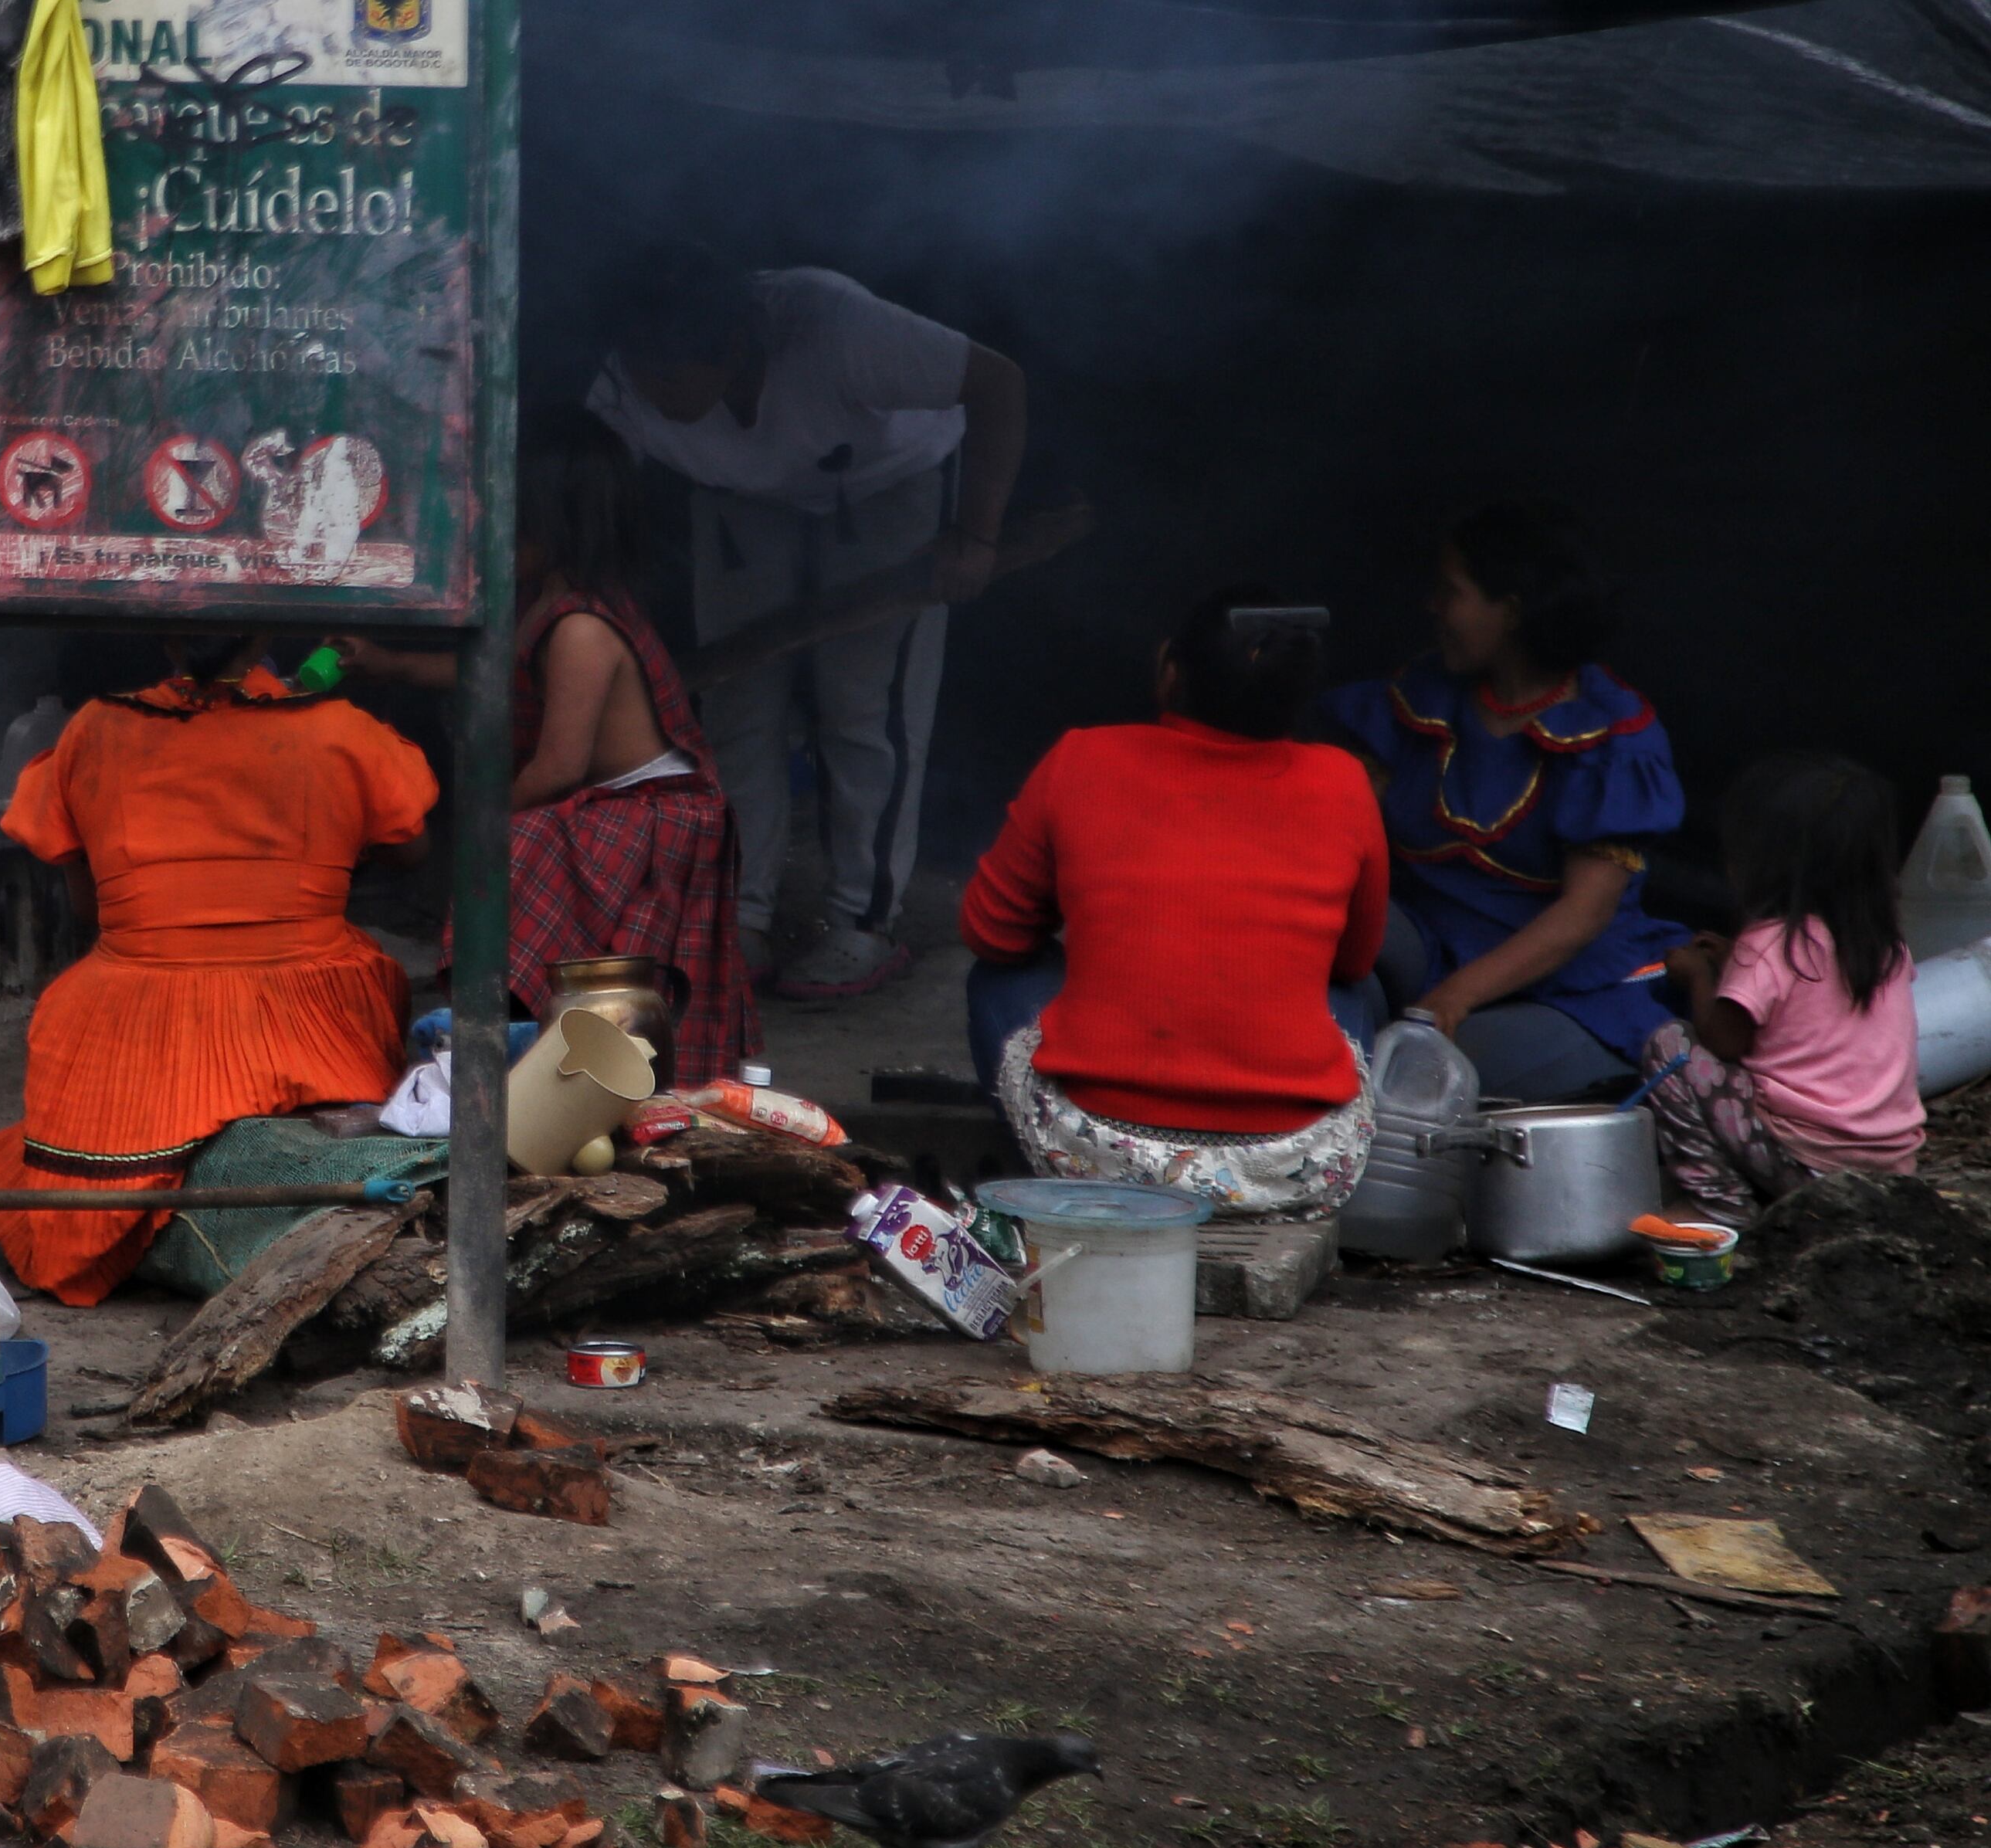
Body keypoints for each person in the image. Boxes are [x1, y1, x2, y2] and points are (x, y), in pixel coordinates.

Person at [586, 263, 1026, 1001]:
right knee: (735, 702)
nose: (656, 392)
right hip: (740, 497)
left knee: (863, 704)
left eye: (673, 374)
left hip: (886, 480)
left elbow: (999, 383)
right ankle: (739, 918)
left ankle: (864, 920)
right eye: (644, 374)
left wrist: (976, 536)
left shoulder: (837, 330)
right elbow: (590, 494)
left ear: (732, 347)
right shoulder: (623, 383)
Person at [0, 635, 438, 1305]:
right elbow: (411, 851)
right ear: (262, 637)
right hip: (312, 1016)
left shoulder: (97, 729)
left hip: (122, 1018)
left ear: (166, 637)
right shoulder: (340, 728)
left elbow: (88, 903)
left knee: (39, 1175)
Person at [342, 410, 754, 1086]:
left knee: (518, 850)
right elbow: (490, 669)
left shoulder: (581, 627)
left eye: (513, 520)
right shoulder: (545, 602)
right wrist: (389, 662)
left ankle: (521, 1039)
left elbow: (558, 768)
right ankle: (529, 1041)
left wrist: (480, 821)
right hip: (610, 806)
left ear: (556, 526)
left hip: (650, 817)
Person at [959, 591, 1389, 1215]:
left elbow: (991, 934)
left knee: (996, 979)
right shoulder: (1343, 781)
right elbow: (1354, 961)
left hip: (1103, 1153)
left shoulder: (1082, 758)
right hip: (1294, 1164)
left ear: (1169, 670)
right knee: (1353, 993)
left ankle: (1085, 1180)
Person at [1319, 500, 1690, 1103]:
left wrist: (1453, 998)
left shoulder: (1610, 741)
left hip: (1554, 982)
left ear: (1511, 612)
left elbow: (1583, 915)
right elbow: (1343, 809)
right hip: (1427, 945)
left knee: (1427, 1079)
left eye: (1452, 592)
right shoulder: (1428, 695)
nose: (1432, 606)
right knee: (1325, 1005)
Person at [1641, 752, 1922, 1223]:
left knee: (1670, 1046)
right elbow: (1811, 1000)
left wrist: (1700, 976)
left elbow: (1724, 1040)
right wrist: (1735, 960)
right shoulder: (1883, 944)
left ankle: (1720, 1205)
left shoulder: (1770, 943)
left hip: (1808, 1164)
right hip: (1890, 1171)